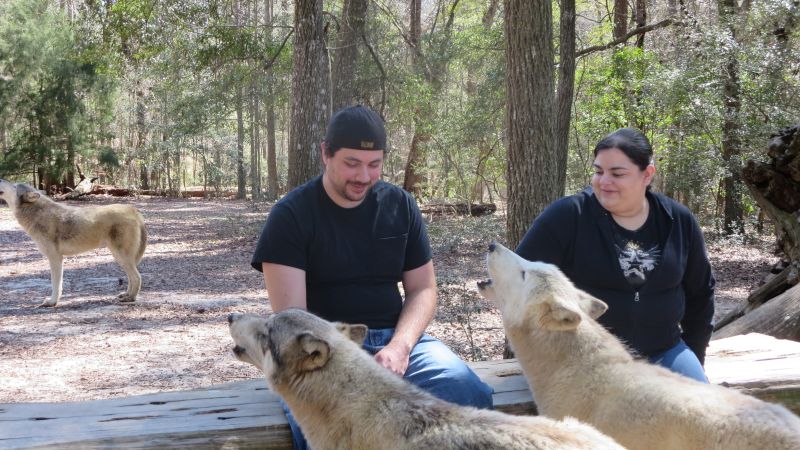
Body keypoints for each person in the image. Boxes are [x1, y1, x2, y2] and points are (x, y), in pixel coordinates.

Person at [251, 105, 494, 450]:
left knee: (468, 394)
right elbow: (294, 322)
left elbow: (422, 289)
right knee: (330, 428)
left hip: (397, 343)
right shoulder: (290, 216)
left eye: (374, 165)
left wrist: (400, 346)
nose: (364, 176)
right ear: (325, 154)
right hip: (322, 353)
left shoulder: (401, 205)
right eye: (352, 163)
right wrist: (351, 365)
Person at [516, 128, 715, 383]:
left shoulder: (678, 220)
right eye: (599, 171)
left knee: (699, 411)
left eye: (617, 174)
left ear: (647, 175)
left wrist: (695, 355)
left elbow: (701, 292)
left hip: (664, 351)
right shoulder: (567, 216)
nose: (604, 181)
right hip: (582, 356)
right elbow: (520, 282)